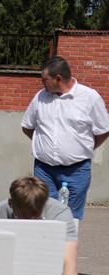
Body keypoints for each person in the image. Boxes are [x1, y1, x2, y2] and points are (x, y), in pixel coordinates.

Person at [21, 56, 109, 229]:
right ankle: (47, 245)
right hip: (44, 169)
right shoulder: (40, 97)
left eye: (45, 80)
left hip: (77, 170)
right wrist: (43, 144)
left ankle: (67, 246)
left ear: (58, 78)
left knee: (71, 218)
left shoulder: (89, 98)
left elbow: (103, 130)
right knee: (43, 213)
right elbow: (27, 126)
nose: (42, 84)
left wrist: (85, 147)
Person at [0, 176, 79, 275]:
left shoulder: (60, 214)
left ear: (44, 203)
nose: (30, 222)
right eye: (24, 215)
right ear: (11, 204)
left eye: (35, 215)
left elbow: (69, 263)